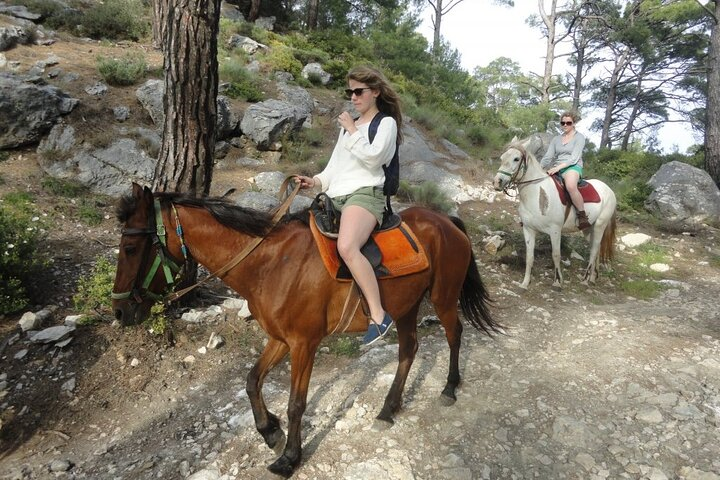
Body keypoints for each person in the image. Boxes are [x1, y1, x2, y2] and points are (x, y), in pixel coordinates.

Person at [295, 66, 403, 346]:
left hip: (366, 195)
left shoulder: (386, 123)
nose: (353, 97)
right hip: (337, 195)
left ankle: (379, 317)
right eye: (350, 92)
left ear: (375, 92)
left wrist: (353, 129)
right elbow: (334, 169)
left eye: (359, 91)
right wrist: (315, 181)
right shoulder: (350, 128)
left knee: (346, 246)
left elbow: (374, 159)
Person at [540, 111, 591, 231]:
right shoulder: (556, 139)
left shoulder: (579, 137)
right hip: (556, 166)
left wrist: (558, 168)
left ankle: (582, 215)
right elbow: (548, 157)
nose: (565, 125)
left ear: (573, 123)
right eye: (563, 123)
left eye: (568, 122)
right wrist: (539, 167)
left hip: (572, 167)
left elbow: (574, 158)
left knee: (571, 186)